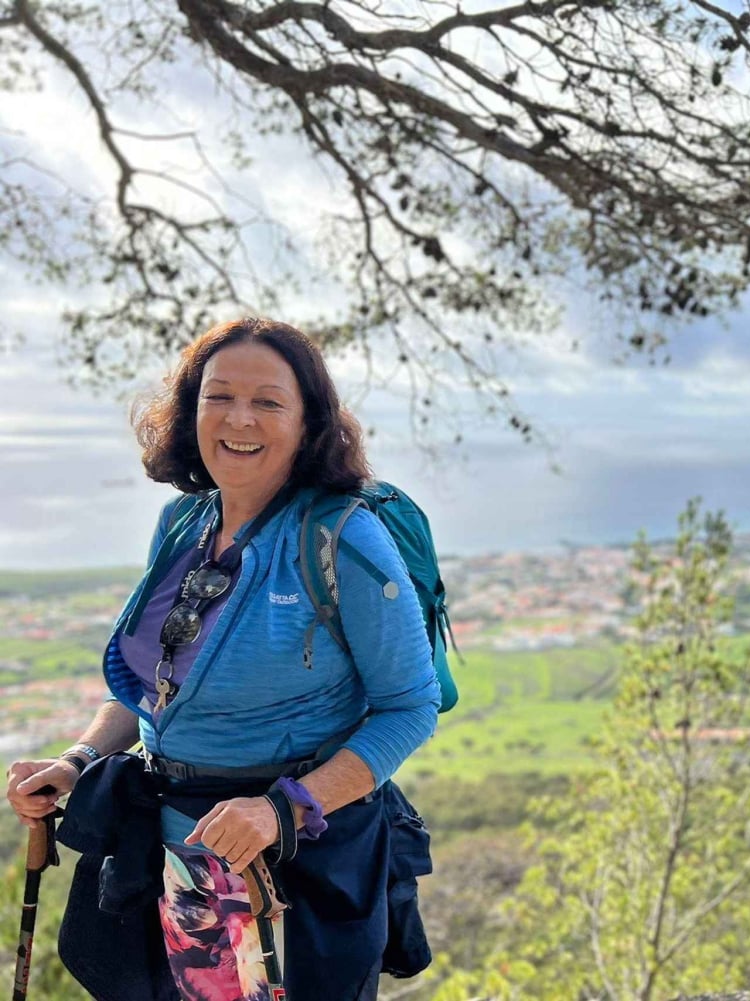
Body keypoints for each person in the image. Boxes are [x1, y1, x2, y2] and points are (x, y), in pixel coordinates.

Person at [5, 318, 440, 1000]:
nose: (240, 418)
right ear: (191, 410)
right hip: (175, 856)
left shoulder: (344, 540)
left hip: (291, 870)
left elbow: (408, 706)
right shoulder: (184, 522)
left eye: (268, 401)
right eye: (219, 395)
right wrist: (77, 762)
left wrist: (285, 807)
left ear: (308, 423)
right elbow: (156, 685)